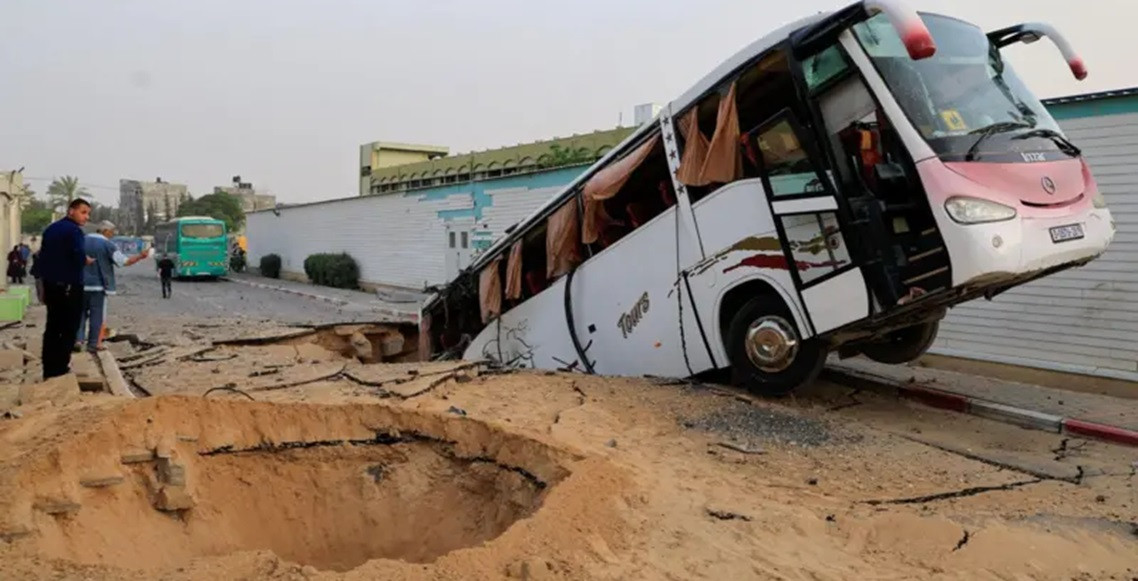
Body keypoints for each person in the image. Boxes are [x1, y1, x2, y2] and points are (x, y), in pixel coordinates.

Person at [38, 198, 94, 379]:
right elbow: (77, 256)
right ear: (71, 211)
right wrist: (85, 260)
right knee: (69, 327)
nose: (86, 217)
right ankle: (61, 368)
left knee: (53, 327)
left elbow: (43, 256)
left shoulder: (51, 229)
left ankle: (49, 369)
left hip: (50, 284)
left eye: (88, 213)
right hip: (69, 285)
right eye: (83, 212)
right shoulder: (74, 231)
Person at [77, 221, 149, 353]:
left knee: (79, 314)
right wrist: (140, 256)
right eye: (112, 232)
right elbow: (124, 261)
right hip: (99, 287)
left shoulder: (80, 241)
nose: (113, 235)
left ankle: (78, 340)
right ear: (105, 231)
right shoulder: (107, 245)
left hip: (79, 284)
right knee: (97, 316)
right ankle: (94, 344)